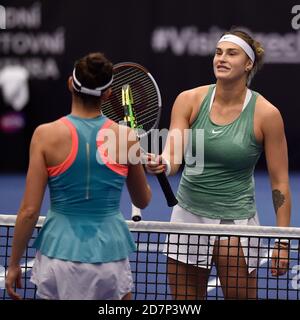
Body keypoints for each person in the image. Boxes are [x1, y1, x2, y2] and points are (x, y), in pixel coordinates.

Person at [146, 29, 291, 299]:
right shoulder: (189, 100)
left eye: (231, 53)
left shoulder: (267, 115)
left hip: (234, 222)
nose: (221, 58)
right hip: (187, 218)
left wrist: (282, 241)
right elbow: (173, 154)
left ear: (248, 64)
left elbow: (280, 182)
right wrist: (163, 163)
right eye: (218, 52)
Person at [5, 52, 151, 300]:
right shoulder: (126, 138)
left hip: (58, 256)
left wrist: (14, 263)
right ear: (108, 94)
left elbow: (29, 210)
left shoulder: (44, 135)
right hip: (110, 257)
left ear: (70, 84)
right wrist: (142, 163)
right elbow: (143, 199)